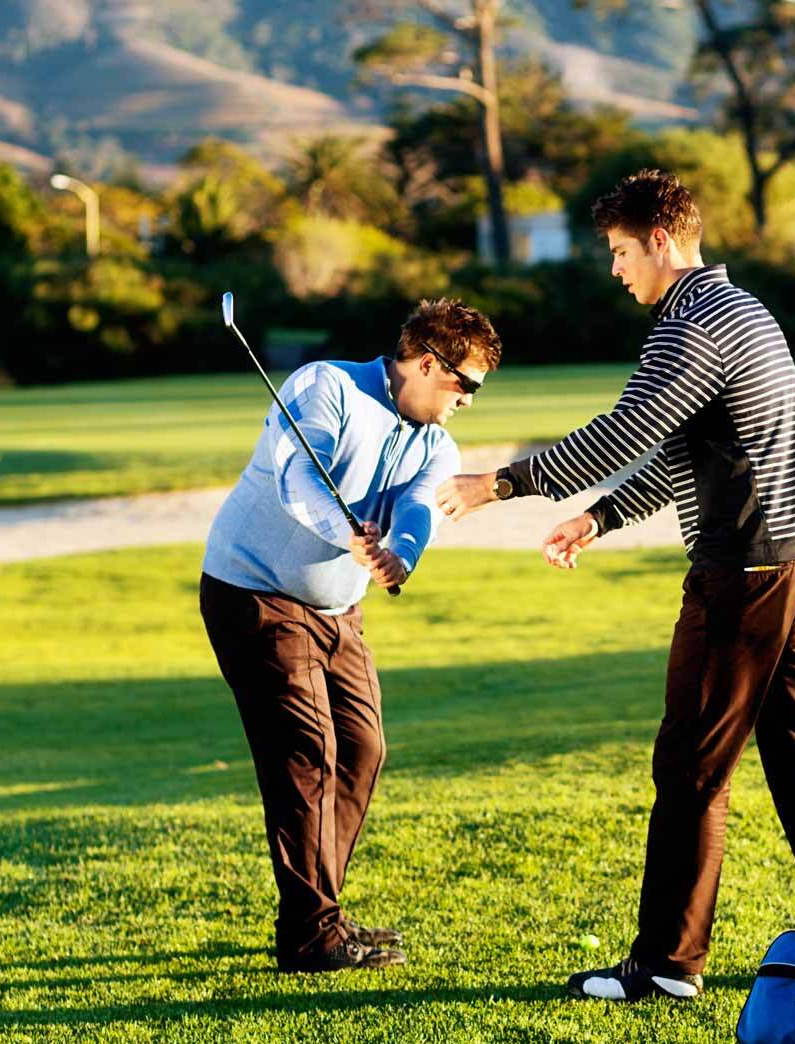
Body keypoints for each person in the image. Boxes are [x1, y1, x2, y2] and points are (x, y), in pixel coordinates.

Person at [435, 169, 795, 1001]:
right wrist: (600, 519)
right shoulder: (743, 310)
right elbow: (679, 449)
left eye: (623, 251)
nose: (616, 268)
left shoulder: (688, 322)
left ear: (662, 243)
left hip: (745, 573)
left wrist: (503, 484)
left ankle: (667, 964)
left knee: (692, 768)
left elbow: (626, 429)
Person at [201, 298, 500, 973]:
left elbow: (420, 506)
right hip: (255, 594)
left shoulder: (435, 441)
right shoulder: (325, 387)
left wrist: (400, 554)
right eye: (466, 384)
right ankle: (313, 933)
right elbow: (298, 479)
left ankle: (317, 916)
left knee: (363, 750)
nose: (469, 401)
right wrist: (348, 536)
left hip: (339, 611)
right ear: (428, 363)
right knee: (308, 750)